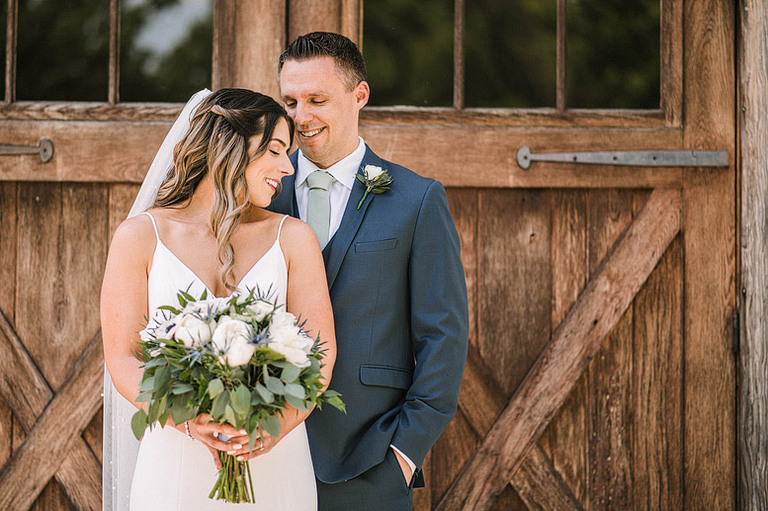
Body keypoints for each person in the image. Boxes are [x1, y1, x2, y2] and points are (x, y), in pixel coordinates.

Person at [101, 88, 336, 510]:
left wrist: (271, 429)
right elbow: (123, 357)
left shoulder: (294, 239)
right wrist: (189, 421)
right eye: (277, 150)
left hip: (275, 463)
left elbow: (321, 353)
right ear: (230, 146)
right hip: (174, 461)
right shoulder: (140, 237)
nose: (287, 167)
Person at [270, 32, 469, 510]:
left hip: (368, 457)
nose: (301, 117)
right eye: (291, 102)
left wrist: (403, 452)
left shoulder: (415, 199)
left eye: (317, 99)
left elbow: (443, 335)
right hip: (265, 451)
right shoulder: (261, 194)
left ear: (359, 95)